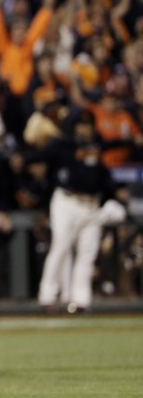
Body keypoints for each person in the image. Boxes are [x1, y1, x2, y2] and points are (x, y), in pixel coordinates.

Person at [34, 108, 129, 314]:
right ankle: (47, 296)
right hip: (66, 202)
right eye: (81, 125)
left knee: (88, 252)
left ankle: (80, 300)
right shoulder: (63, 144)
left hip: (91, 205)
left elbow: (107, 163)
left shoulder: (96, 146)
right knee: (60, 246)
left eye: (88, 125)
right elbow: (38, 158)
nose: (85, 129)